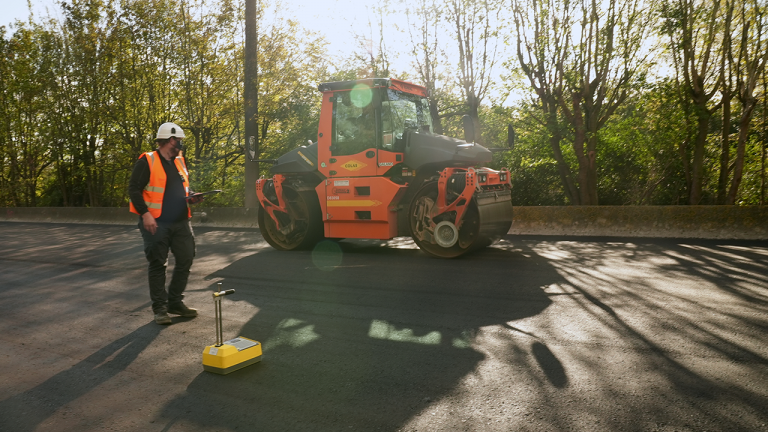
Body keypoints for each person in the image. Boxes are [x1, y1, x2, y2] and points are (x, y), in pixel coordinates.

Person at [129, 122, 203, 325]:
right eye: (179, 141)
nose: (181, 144)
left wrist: (192, 196)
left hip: (181, 221)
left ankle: (175, 302)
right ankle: (160, 309)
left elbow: (181, 188)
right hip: (156, 223)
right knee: (158, 264)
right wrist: (145, 214)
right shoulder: (148, 160)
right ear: (171, 140)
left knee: (186, 258)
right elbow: (134, 188)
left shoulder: (179, 161)